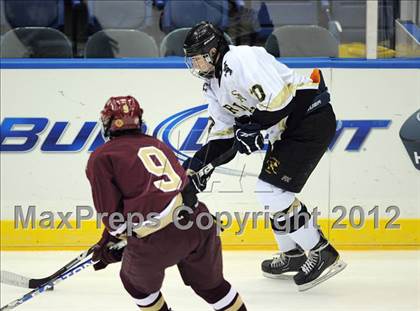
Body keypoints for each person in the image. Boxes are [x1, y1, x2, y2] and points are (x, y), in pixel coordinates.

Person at [182, 21, 346, 291]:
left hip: (309, 118)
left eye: (197, 58)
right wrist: (195, 168)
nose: (195, 65)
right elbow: (222, 138)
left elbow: (280, 99)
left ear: (212, 52)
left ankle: (322, 251)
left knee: (272, 192)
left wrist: (252, 126)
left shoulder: (241, 59)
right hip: (287, 128)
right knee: (268, 193)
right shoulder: (212, 87)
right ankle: (293, 254)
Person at [86, 95, 247, 310]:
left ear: (109, 123)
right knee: (213, 287)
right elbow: (167, 192)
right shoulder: (157, 144)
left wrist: (113, 247)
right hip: (199, 222)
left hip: (157, 238)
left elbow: (114, 218)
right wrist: (108, 239)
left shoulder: (101, 157)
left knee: (136, 285)